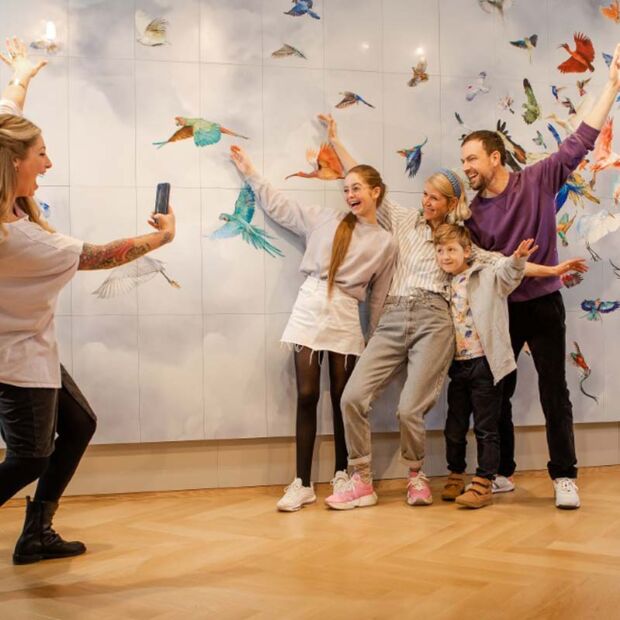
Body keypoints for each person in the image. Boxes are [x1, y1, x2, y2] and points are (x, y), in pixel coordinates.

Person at [322, 115, 586, 510]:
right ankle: (360, 478)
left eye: (435, 197)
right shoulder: (404, 220)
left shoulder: (461, 240)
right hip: (394, 315)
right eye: (425, 195)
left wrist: (552, 270)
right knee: (352, 398)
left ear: (451, 203)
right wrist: (336, 142)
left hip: (435, 319)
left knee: (415, 408)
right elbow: (367, 185)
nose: (426, 202)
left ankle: (421, 476)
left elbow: (501, 263)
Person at [0, 38, 176, 564]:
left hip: (28, 347)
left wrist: (22, 76)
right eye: (41, 154)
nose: (48, 162)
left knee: (78, 424)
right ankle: (35, 532)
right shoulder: (18, 239)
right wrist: (164, 237)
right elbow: (99, 256)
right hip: (15, 359)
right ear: (14, 163)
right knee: (30, 456)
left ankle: (37, 532)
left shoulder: (8, 190)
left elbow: (8, 115)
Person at [460, 43, 620, 509]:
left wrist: (612, 86)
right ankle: (501, 471)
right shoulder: (472, 214)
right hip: (501, 311)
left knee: (555, 391)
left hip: (545, 302)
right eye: (463, 161)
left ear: (495, 157)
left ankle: (564, 476)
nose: (467, 167)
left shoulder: (538, 179)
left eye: (472, 158)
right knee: (496, 391)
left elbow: (582, 139)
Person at [230, 144, 396, 512]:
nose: (350, 195)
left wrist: (374, 338)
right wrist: (250, 172)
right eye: (346, 189)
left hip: (347, 312)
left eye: (356, 188)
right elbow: (280, 207)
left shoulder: (385, 242)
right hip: (309, 304)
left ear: (375, 192)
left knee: (342, 398)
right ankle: (302, 483)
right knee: (306, 395)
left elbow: (379, 297)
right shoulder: (324, 218)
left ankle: (342, 474)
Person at [433, 224, 585, 508]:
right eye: (440, 251)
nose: (445, 256)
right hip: (460, 364)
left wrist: (519, 260)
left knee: (496, 421)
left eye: (451, 250)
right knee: (461, 422)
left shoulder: (484, 274)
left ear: (467, 251)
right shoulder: (443, 280)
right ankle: (480, 473)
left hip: (489, 357)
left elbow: (507, 273)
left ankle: (548, 476)